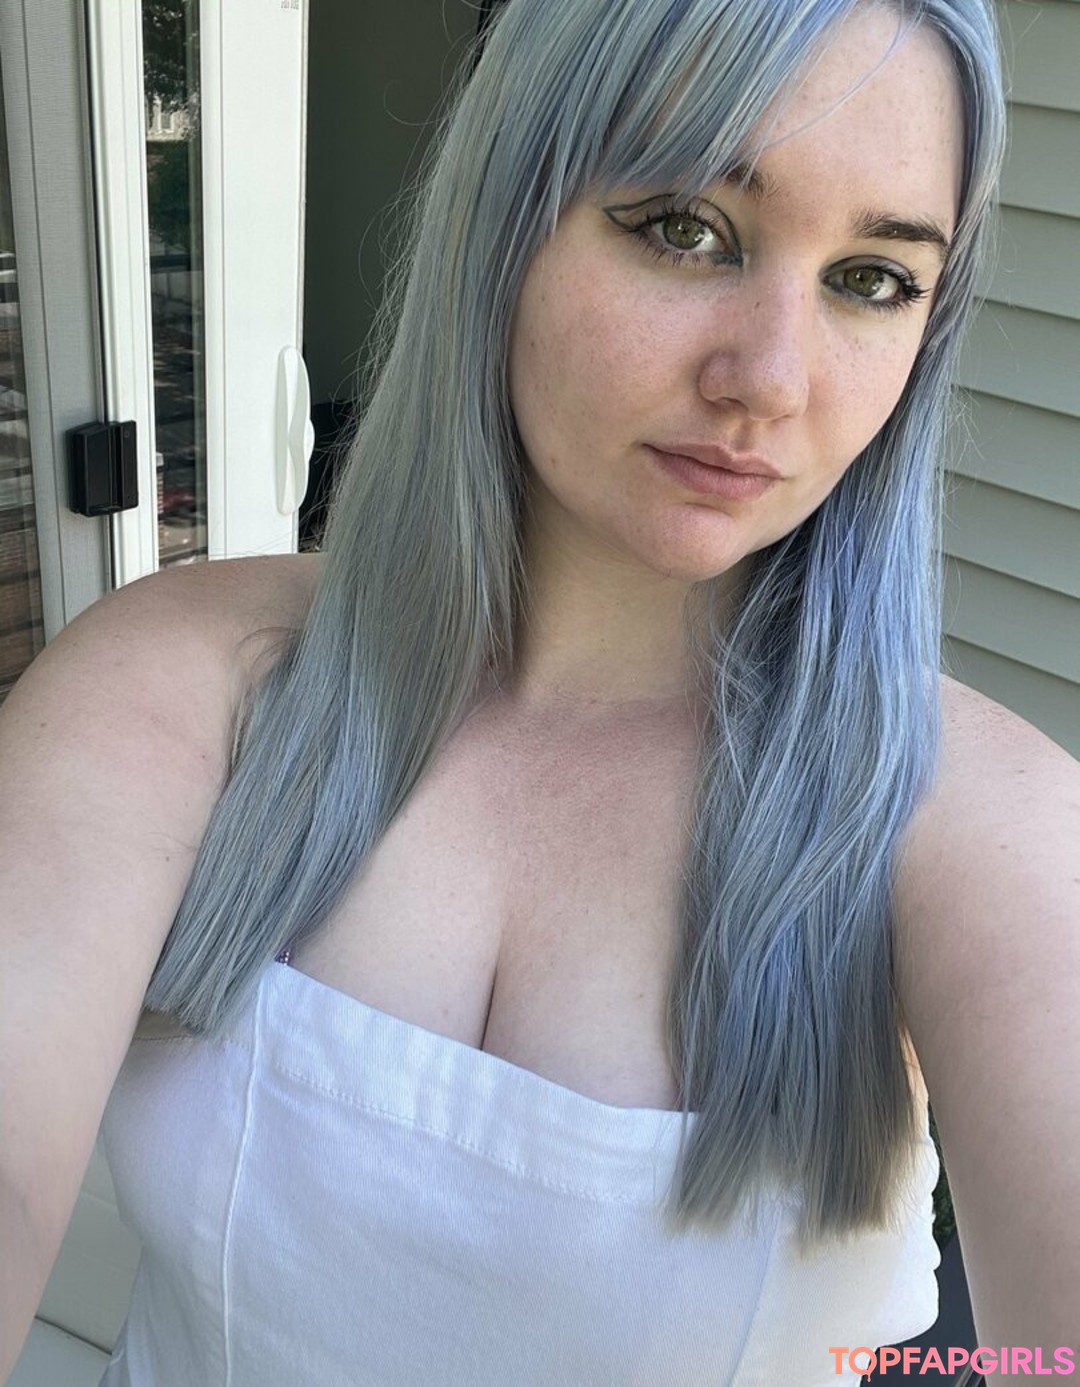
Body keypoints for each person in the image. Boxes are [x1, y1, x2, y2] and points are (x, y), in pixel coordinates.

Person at [2, 0, 1077, 1382]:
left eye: (871, 279)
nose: (769, 379)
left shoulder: (975, 827)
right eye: (686, 227)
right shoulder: (185, 684)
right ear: (502, 222)